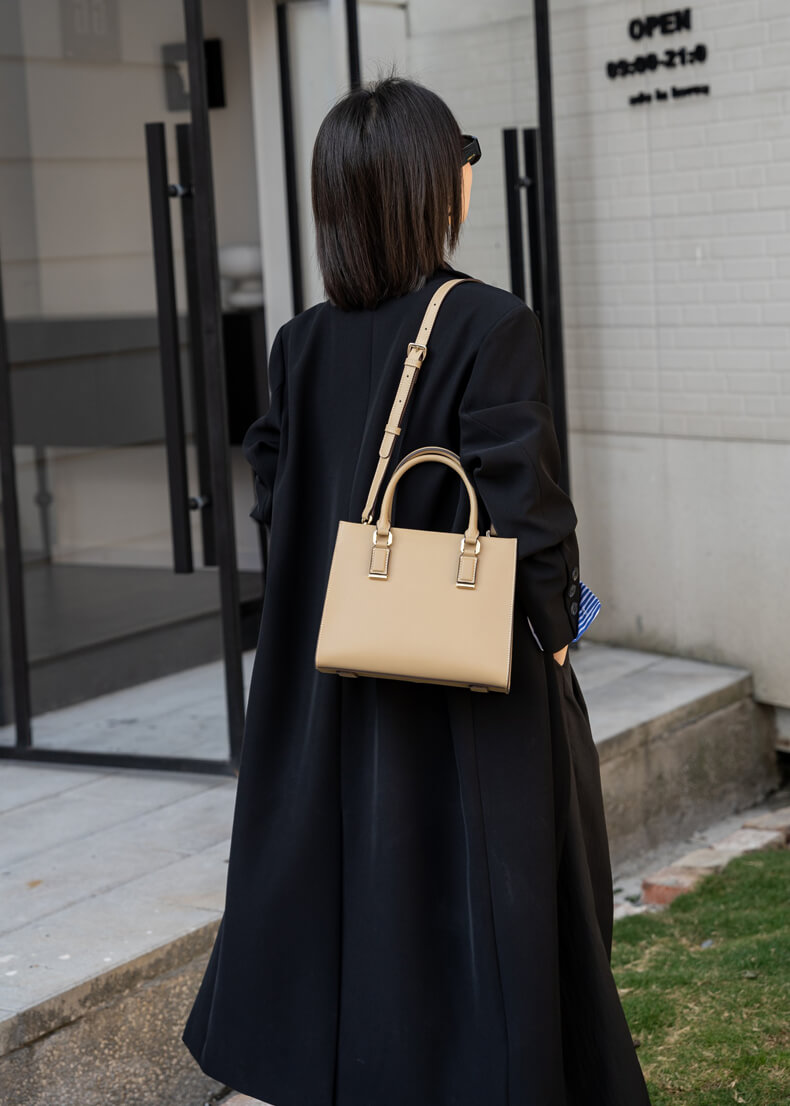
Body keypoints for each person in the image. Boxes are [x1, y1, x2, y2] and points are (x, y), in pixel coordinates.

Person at [182, 74, 652, 1106]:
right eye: (460, 155)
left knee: (357, 905)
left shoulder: (300, 342)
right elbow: (528, 514)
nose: (470, 171)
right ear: (432, 185)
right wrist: (559, 635)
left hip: (331, 680)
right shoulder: (489, 324)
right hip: (465, 687)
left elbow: (277, 496)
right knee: (485, 910)